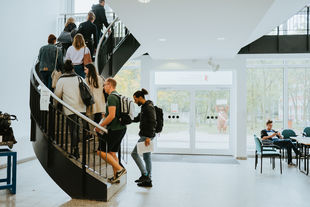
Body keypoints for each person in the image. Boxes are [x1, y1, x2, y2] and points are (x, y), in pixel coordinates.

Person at [95, 78, 127, 183]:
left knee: (100, 151)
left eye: (104, 85)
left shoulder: (112, 97)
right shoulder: (118, 95)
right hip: (121, 128)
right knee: (112, 153)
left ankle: (120, 169)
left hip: (114, 129)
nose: (103, 87)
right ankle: (116, 177)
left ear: (110, 85)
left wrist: (100, 126)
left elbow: (112, 116)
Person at [54, 60, 88, 159]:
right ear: (73, 68)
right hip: (82, 107)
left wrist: (55, 106)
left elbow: (57, 95)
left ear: (64, 69)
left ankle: (75, 150)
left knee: (73, 130)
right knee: (83, 127)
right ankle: (84, 148)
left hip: (70, 108)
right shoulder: (79, 78)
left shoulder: (62, 80)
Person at [131, 89, 156, 187]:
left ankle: (145, 175)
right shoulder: (144, 107)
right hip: (147, 135)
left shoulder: (148, 107)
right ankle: (148, 181)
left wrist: (149, 137)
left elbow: (153, 122)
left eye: (135, 99)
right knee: (146, 156)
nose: (135, 101)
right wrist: (128, 119)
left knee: (134, 154)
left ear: (140, 97)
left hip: (147, 136)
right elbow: (138, 118)